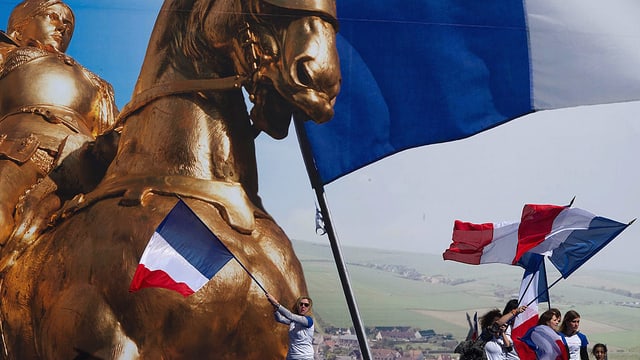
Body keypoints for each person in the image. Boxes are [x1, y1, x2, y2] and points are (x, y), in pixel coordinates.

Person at [0, 0, 118, 246]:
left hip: (87, 159)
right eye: (52, 17)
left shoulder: (97, 83)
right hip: (21, 147)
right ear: (21, 27)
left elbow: (112, 127)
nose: (62, 27)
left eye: (68, 24)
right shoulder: (6, 53)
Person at [266, 293, 315, 360]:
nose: (303, 306)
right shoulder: (294, 321)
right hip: (291, 357)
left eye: (306, 305)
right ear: (298, 305)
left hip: (305, 357)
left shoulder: (308, 321)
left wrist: (276, 303)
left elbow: (290, 315)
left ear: (309, 308)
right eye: (301, 304)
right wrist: (275, 308)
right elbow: (280, 319)